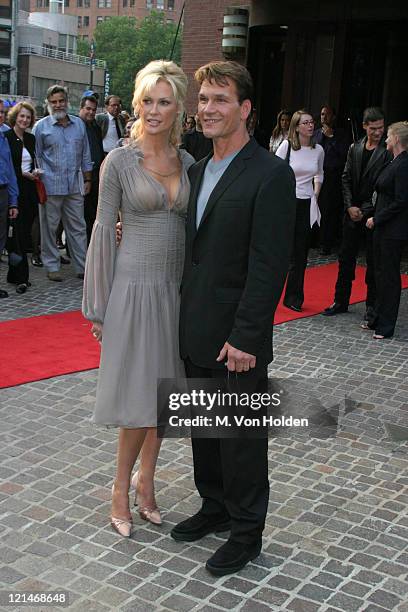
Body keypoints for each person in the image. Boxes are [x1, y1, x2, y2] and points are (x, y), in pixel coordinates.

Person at [171, 61, 296, 576]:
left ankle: (246, 533)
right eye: (203, 99)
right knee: (205, 429)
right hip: (195, 324)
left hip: (238, 338)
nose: (208, 109)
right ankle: (215, 507)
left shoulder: (270, 173)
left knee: (240, 440)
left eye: (220, 99)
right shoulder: (197, 168)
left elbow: (269, 265)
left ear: (244, 108)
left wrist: (247, 336)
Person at [82, 60, 195, 538]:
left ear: (178, 110)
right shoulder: (119, 163)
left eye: (164, 101)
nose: (153, 110)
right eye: (147, 100)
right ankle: (117, 488)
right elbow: (104, 232)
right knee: (136, 398)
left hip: (175, 292)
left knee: (164, 398)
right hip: (133, 290)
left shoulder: (190, 163)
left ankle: (146, 481)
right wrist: (99, 306)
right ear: (136, 103)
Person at [322, 107, 391, 322]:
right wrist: (350, 206)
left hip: (372, 215)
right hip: (351, 213)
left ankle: (371, 306)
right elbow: (345, 178)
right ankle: (340, 300)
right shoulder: (355, 147)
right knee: (346, 260)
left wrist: (365, 210)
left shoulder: (387, 152)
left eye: (381, 128)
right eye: (373, 128)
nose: (378, 132)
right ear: (364, 127)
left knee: (373, 262)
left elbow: (383, 187)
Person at [33, 85, 93, 282]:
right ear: (48, 104)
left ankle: (82, 266)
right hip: (50, 185)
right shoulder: (41, 127)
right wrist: (39, 181)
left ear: (67, 102)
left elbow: (85, 154)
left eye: (61, 101)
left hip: (74, 185)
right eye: (54, 102)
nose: (58, 105)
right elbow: (36, 157)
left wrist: (87, 179)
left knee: (78, 227)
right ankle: (52, 265)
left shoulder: (79, 125)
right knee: (49, 228)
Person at [275, 110, 324, 311]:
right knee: (279, 251)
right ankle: (268, 293)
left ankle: (294, 297)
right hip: (286, 202)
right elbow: (274, 173)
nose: (310, 126)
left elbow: (320, 174)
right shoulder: (286, 147)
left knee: (300, 254)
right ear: (296, 127)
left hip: (306, 203)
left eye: (312, 122)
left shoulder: (318, 149)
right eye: (305, 123)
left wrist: (316, 194)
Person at [365, 121, 408, 339]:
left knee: (389, 278)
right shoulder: (393, 162)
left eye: (389, 136)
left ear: (397, 139)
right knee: (379, 274)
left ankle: (386, 325)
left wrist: (377, 218)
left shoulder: (403, 165)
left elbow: (401, 201)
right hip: (382, 228)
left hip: (393, 230)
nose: (386, 140)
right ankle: (376, 318)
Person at [4, 102, 39, 294]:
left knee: (23, 232)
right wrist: (22, 173)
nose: (24, 120)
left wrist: (35, 172)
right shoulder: (6, 138)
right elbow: (7, 167)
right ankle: (21, 277)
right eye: (21, 116)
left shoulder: (31, 139)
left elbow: (34, 160)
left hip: (30, 191)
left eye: (28, 117)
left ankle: (13, 273)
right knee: (16, 235)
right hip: (14, 190)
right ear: (15, 117)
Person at [313, 105, 349, 254]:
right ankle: (314, 239)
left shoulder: (341, 134)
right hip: (315, 176)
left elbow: (344, 155)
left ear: (333, 117)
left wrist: (331, 137)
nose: (324, 117)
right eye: (322, 114)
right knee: (314, 206)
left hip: (332, 175)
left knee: (328, 210)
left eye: (327, 115)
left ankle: (326, 242)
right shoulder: (315, 134)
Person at [79, 95, 105, 244]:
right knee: (80, 215)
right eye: (88, 109)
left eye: (93, 110)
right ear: (81, 108)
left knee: (92, 213)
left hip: (95, 175)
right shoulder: (76, 125)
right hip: (81, 176)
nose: (90, 112)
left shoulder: (95, 126)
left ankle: (90, 244)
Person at [0, 130, 18, 297]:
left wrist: (13, 201)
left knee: (1, 239)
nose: (0, 115)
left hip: (3, 193)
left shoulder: (3, 138)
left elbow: (10, 171)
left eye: (2, 112)